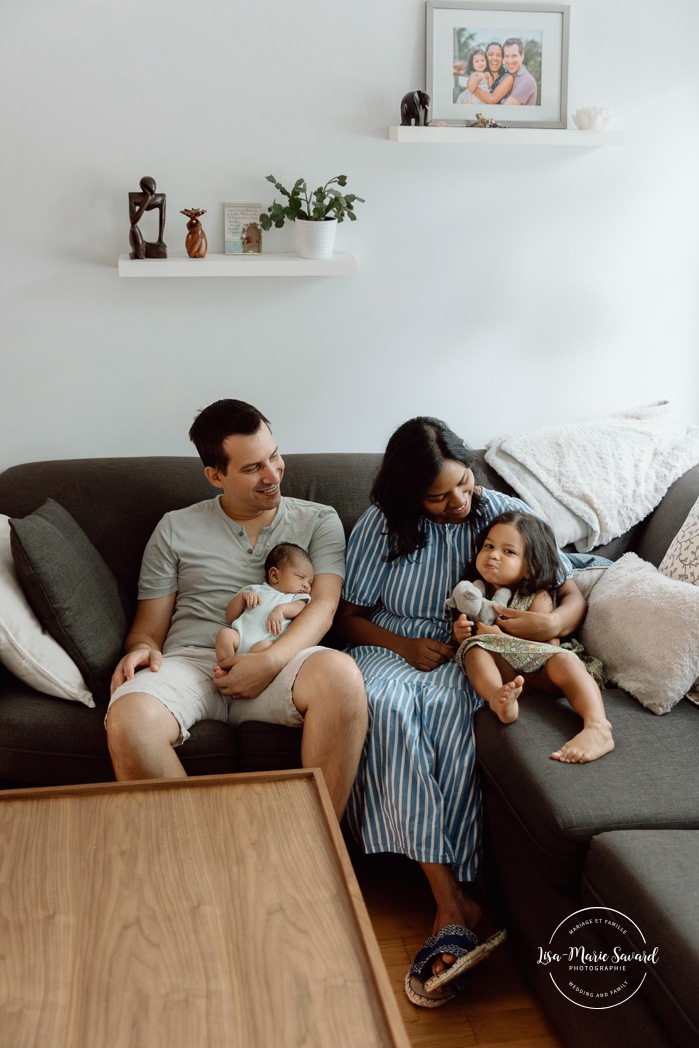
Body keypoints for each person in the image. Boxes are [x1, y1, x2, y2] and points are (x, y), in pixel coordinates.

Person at [334, 417, 587, 1007]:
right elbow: (347, 617)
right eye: (439, 496)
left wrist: (554, 623)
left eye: (465, 485)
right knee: (391, 710)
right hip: (388, 642)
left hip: (473, 647)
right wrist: (403, 647)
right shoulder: (379, 524)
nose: (460, 503)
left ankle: (460, 898)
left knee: (453, 717)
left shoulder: (499, 511)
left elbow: (571, 583)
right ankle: (451, 901)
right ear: (407, 495)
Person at [106, 399, 368, 820]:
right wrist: (139, 647)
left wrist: (270, 662)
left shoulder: (319, 519)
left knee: (343, 677)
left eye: (275, 456)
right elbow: (147, 629)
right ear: (215, 476)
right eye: (252, 469)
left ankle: (312, 856)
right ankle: (202, 861)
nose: (273, 475)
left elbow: (324, 605)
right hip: (194, 663)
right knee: (128, 717)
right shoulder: (174, 528)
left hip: (281, 658)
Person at [454, 511, 614, 763]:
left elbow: (546, 647)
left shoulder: (536, 597)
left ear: (530, 568)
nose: (493, 554)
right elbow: (465, 644)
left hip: (543, 674)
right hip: (511, 679)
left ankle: (598, 726)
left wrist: (499, 637)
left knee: (564, 660)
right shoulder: (474, 595)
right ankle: (498, 698)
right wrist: (461, 633)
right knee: (474, 651)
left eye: (508, 552)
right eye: (489, 546)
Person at [214, 542, 314, 663]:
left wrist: (280, 610)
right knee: (225, 635)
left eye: (310, 582)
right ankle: (227, 665)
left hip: (263, 646)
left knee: (264, 647)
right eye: (300, 576)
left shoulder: (295, 598)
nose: (306, 585)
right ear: (274, 575)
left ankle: (244, 669)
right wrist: (242, 597)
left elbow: (299, 607)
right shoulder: (255, 590)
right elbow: (230, 617)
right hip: (240, 640)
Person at [456, 41, 513, 106]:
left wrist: (472, 88)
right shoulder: (477, 74)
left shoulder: (507, 78)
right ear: (485, 57)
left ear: (502, 58)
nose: (494, 58)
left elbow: (492, 99)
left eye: (498, 55)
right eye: (491, 54)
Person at [501, 37, 538, 106]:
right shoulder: (507, 76)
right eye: (506, 56)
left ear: (522, 56)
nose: (510, 61)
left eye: (514, 56)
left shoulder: (527, 81)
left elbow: (504, 110)